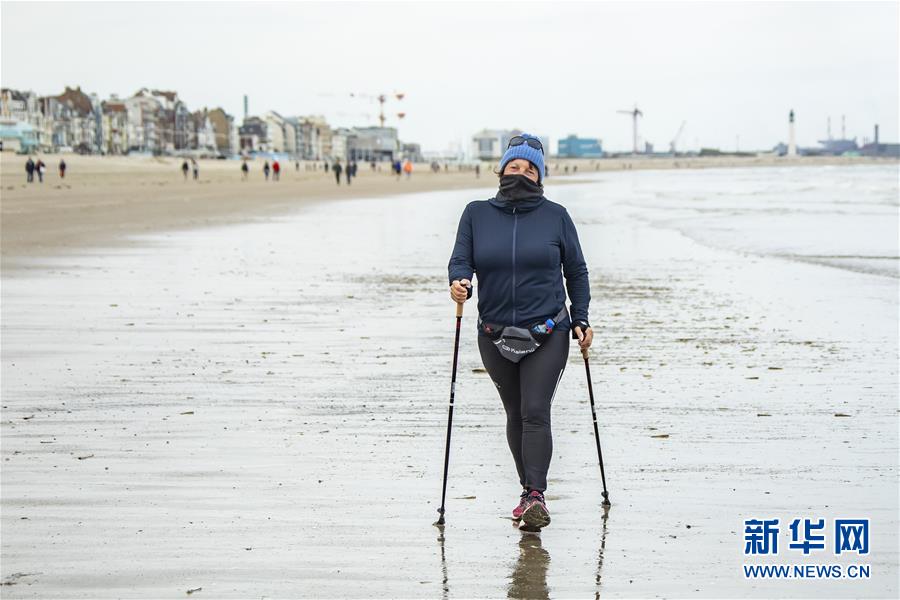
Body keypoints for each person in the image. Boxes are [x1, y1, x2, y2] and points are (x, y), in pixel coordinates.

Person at [447, 132, 592, 532]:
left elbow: (576, 270)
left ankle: (535, 496)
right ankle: (527, 491)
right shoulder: (476, 213)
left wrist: (580, 316)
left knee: (535, 411)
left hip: (549, 329)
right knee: (515, 412)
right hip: (493, 333)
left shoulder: (556, 216)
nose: (522, 172)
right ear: (501, 170)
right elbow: (460, 260)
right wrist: (459, 282)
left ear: (541, 176)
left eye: (531, 168)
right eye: (515, 166)